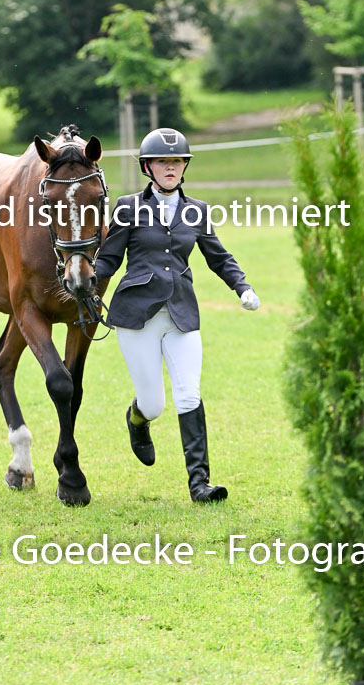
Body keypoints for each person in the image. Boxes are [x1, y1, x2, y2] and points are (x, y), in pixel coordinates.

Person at [94, 127, 260, 503]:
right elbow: (109, 259)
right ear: (147, 167)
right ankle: (137, 420)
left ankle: (200, 483)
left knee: (189, 394)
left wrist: (242, 286)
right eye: (162, 161)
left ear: (184, 167)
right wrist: (86, 281)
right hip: (137, 316)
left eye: (177, 161)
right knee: (154, 404)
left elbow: (219, 257)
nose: (171, 167)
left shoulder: (196, 211)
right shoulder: (127, 208)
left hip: (182, 314)